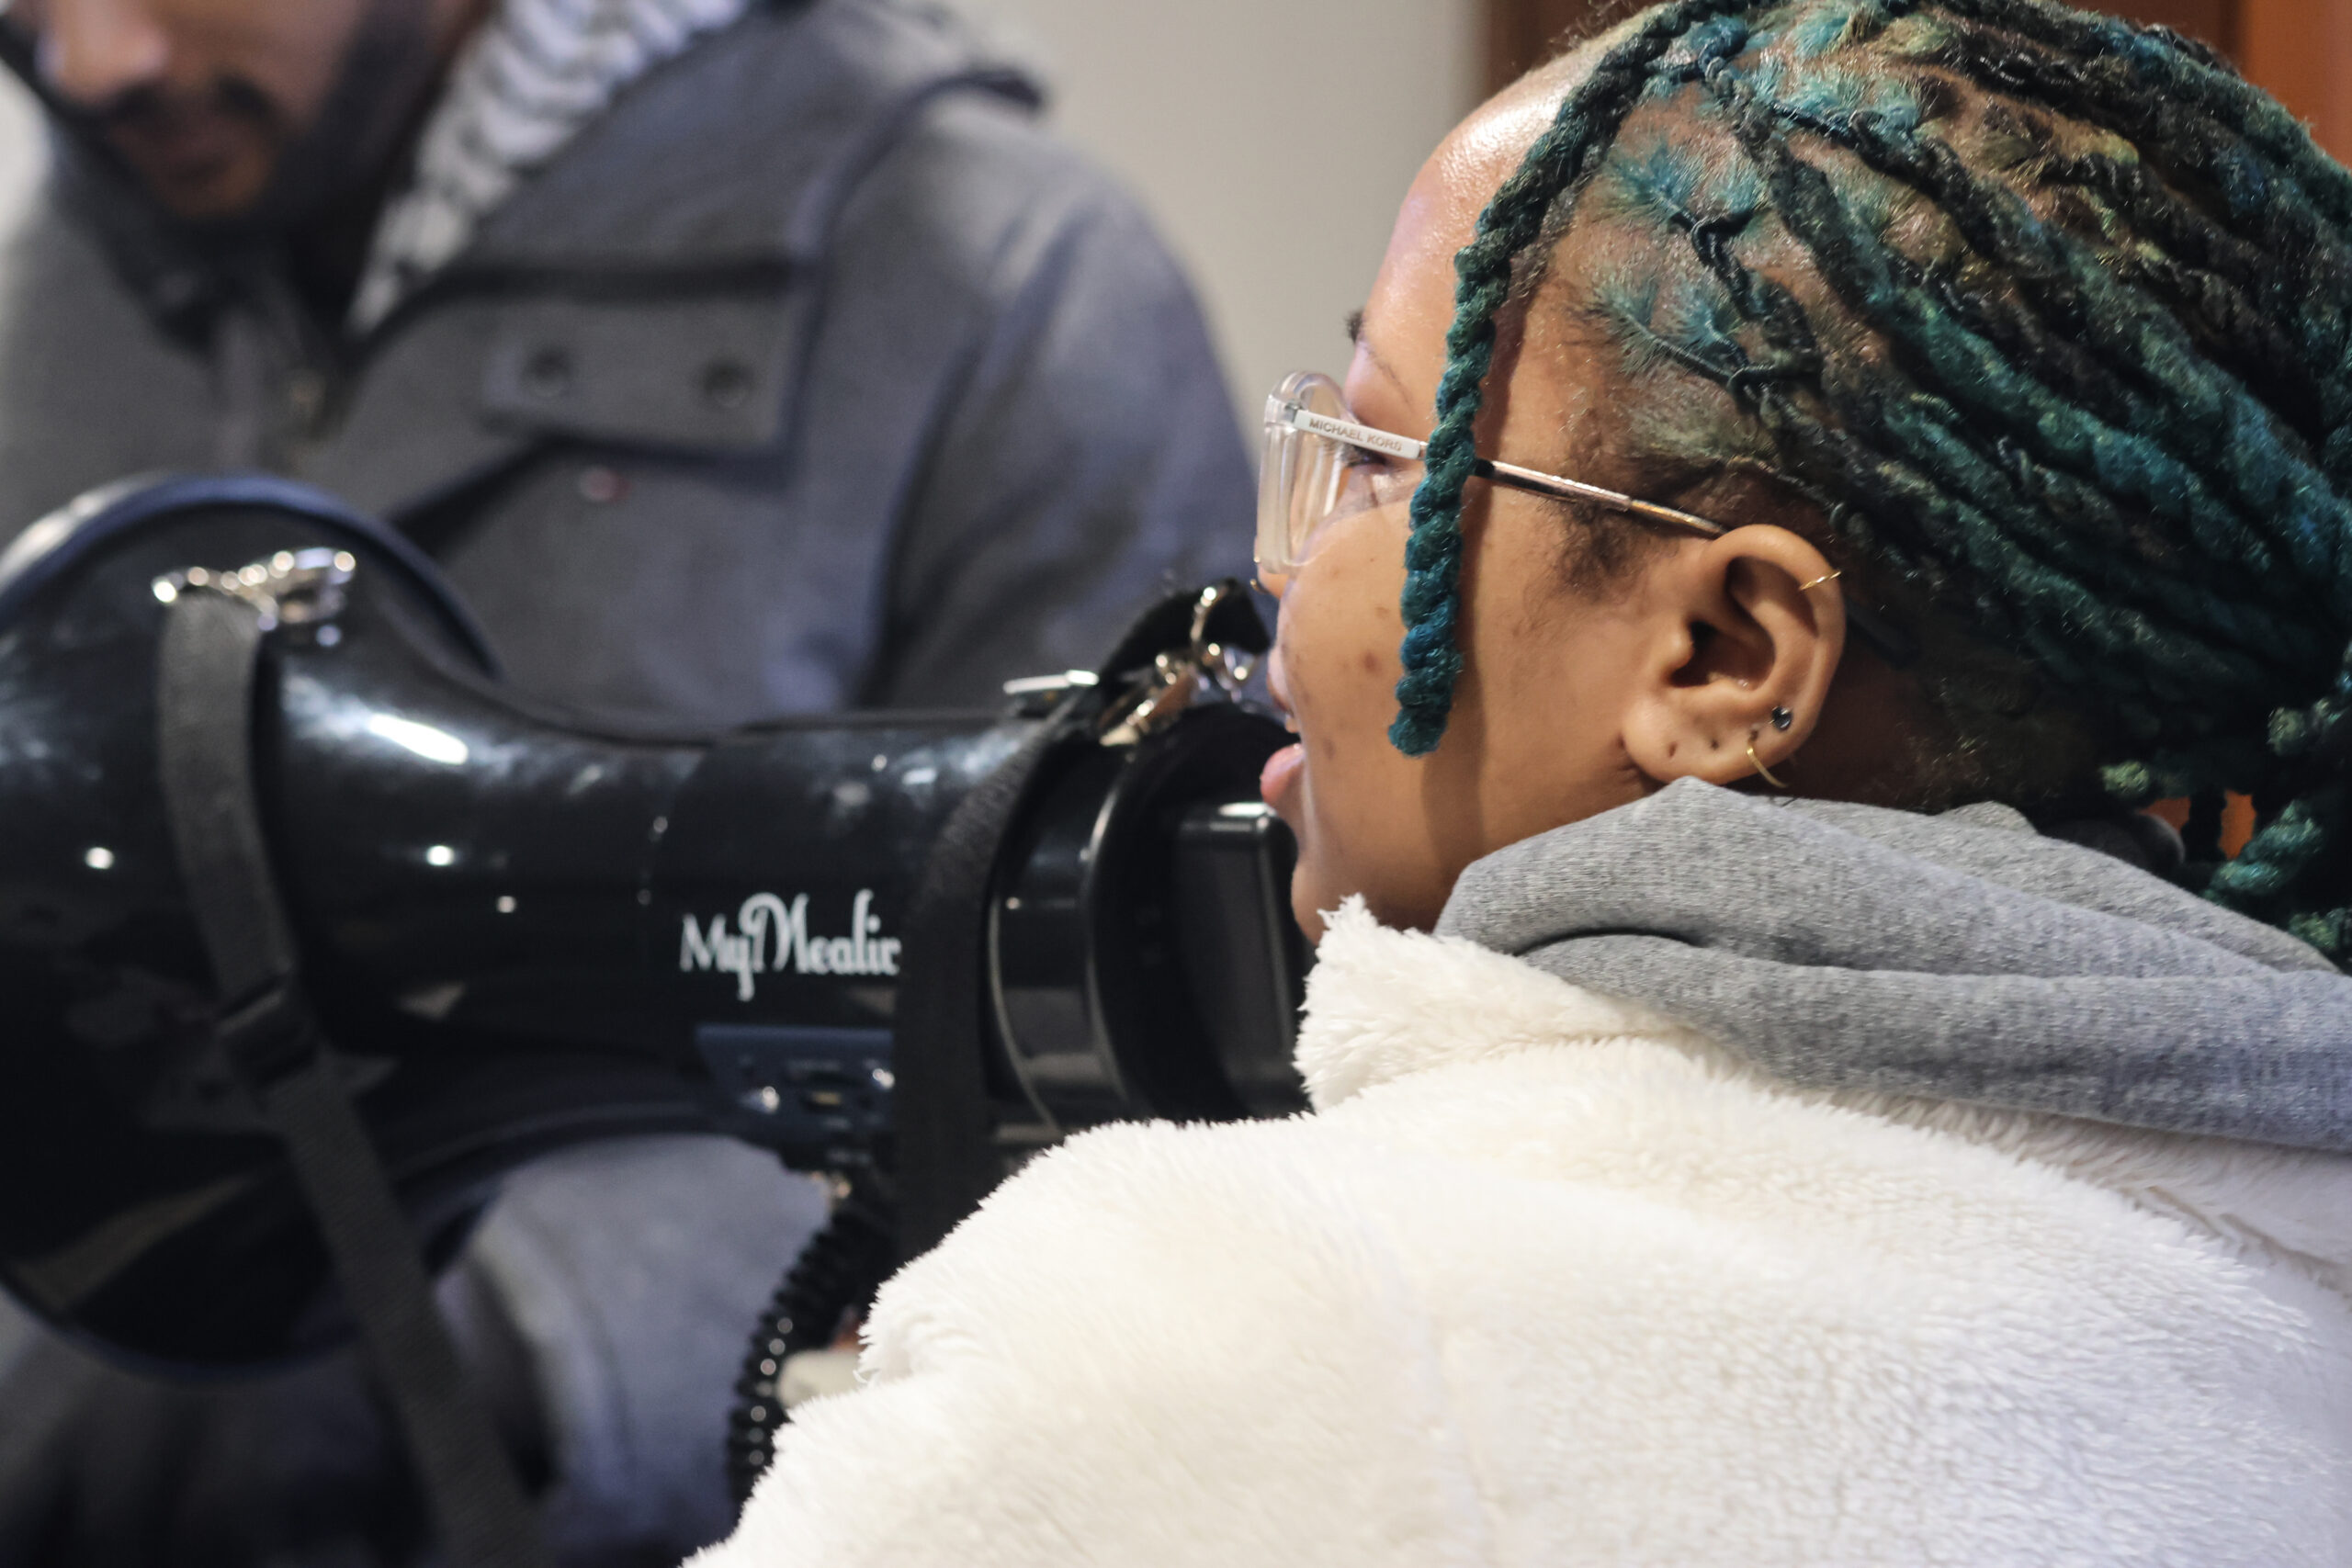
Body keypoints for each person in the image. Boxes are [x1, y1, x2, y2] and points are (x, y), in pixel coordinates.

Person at [701, 1, 2352, 1562]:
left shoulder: (1205, 1328)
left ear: (1724, 656)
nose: (1281, 576)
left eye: (1376, 466)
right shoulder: (2295, 1285)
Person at [0, 0, 1250, 1564]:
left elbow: (1111, 1092)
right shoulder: (69, 274)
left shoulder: (1014, 287)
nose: (93, 61)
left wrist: (497, 1349)